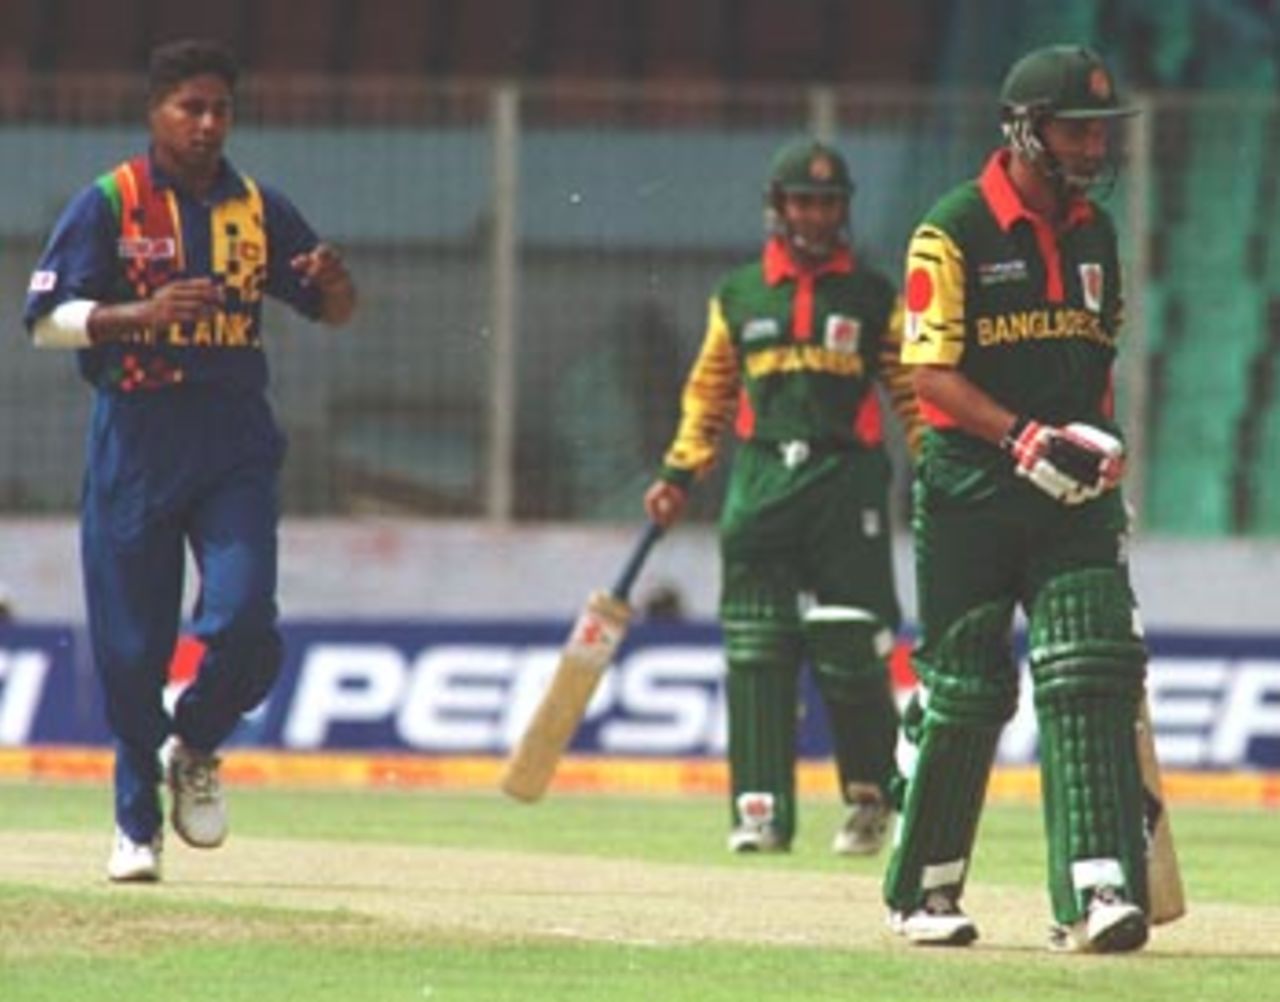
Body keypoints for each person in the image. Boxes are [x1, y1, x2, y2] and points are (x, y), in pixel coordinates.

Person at [23, 38, 357, 883]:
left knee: (247, 624)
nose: (209, 124)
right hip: (135, 437)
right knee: (132, 652)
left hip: (232, 437)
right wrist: (139, 314)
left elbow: (332, 309)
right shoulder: (110, 202)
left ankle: (198, 739)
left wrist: (335, 282)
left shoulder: (257, 206)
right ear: (155, 113)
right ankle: (136, 826)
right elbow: (42, 319)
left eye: (221, 109)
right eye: (191, 108)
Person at [883, 45, 1150, 953]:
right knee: (968, 690)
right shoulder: (950, 229)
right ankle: (924, 892)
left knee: (1093, 673)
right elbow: (929, 376)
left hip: (1072, 497)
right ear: (1023, 129)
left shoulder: (1095, 234)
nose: (1090, 148)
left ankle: (1096, 888)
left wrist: (1106, 460)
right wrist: (1019, 436)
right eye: (1074, 131)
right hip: (970, 493)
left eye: (1097, 133)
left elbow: (1095, 364)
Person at [644, 138, 921, 856]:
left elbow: (912, 393)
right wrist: (680, 472)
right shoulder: (738, 294)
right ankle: (760, 811)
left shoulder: (872, 294)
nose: (816, 214)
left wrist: (937, 464)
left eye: (828, 202)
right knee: (757, 647)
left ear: (844, 210)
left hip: (847, 480)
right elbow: (709, 390)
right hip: (763, 479)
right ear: (778, 207)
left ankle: (871, 800)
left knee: (854, 647)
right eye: (803, 200)